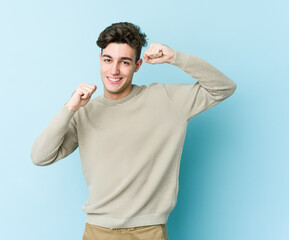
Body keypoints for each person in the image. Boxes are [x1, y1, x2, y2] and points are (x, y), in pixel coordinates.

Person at [31, 22, 236, 240]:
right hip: (97, 232)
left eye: (125, 62)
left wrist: (175, 57)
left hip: (149, 231)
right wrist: (69, 108)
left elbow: (223, 87)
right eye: (108, 60)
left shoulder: (166, 99)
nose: (114, 70)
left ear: (138, 65)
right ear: (100, 60)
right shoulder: (84, 112)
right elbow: (41, 156)